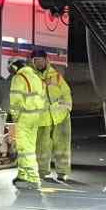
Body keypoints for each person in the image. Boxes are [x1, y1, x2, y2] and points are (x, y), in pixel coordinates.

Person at [8, 48, 52, 191]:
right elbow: (43, 98)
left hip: (25, 117)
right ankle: (23, 176)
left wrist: (15, 117)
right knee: (29, 147)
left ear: (15, 67)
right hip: (36, 117)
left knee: (24, 149)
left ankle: (32, 179)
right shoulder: (35, 77)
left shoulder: (19, 78)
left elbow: (16, 100)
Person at [41, 55, 74, 185]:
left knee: (62, 146)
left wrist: (67, 109)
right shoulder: (33, 77)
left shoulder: (56, 77)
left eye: (41, 60)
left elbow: (66, 93)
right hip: (45, 117)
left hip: (60, 116)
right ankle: (42, 171)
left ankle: (62, 172)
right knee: (42, 146)